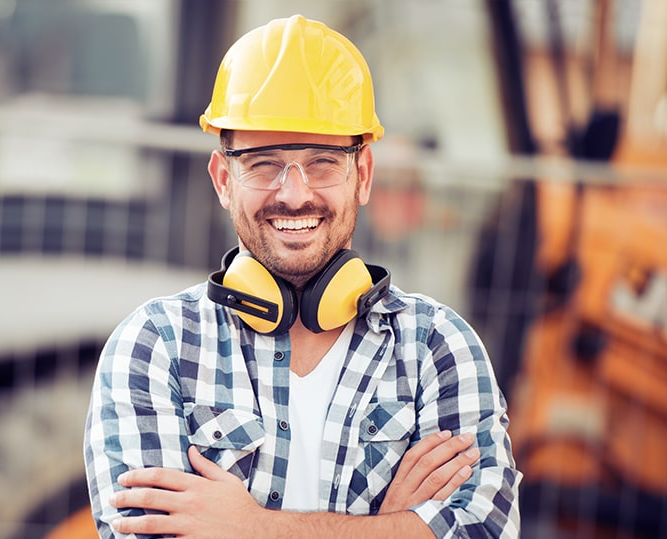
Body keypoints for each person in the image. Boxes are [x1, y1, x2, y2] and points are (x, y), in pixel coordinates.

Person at [84, 14, 520, 538]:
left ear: (363, 176)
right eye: (264, 163)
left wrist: (251, 527)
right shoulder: (155, 345)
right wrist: (391, 527)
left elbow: (482, 530)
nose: (294, 193)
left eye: (323, 162)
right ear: (224, 180)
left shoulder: (439, 348)